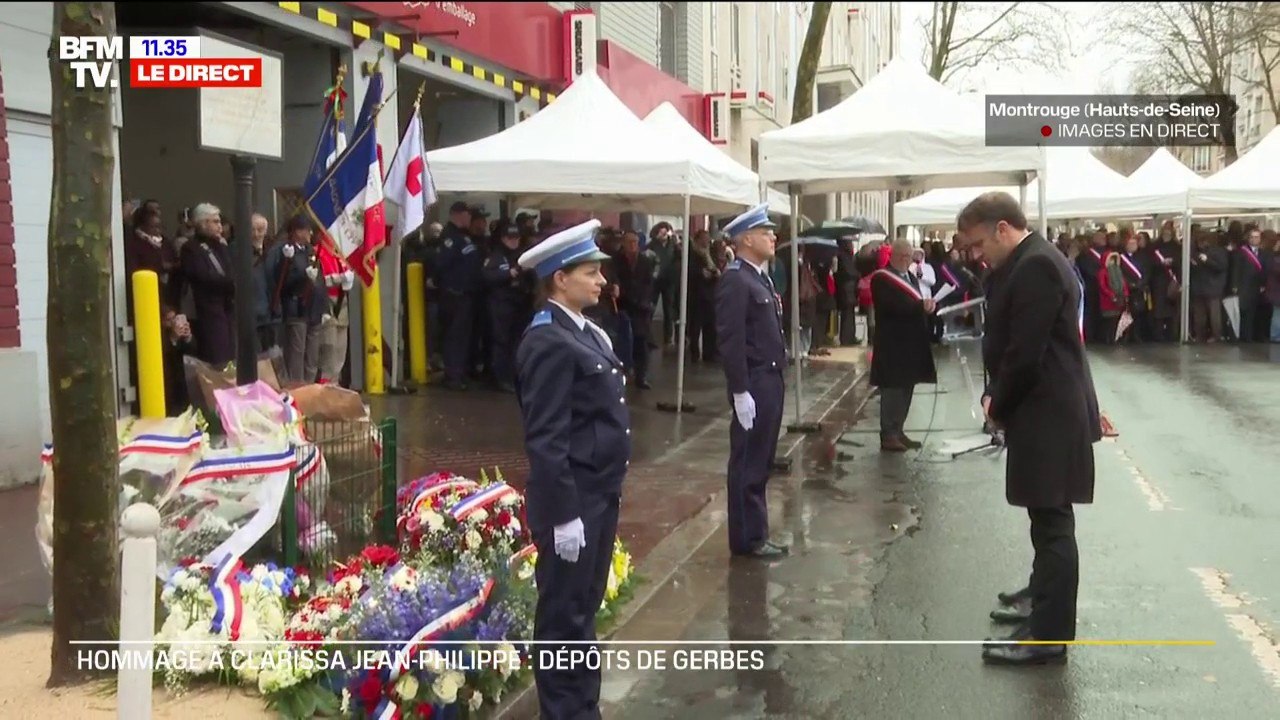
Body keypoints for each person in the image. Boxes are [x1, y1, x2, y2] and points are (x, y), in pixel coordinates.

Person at [955, 192, 1101, 666]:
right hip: (1046, 412)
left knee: (1053, 526)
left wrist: (999, 402)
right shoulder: (1032, 260)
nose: (977, 256)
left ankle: (1049, 636)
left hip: (1047, 414)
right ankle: (1043, 614)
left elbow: (1026, 350)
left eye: (979, 244)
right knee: (1047, 523)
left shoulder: (1035, 265)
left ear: (1003, 229)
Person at [514, 219, 631, 720]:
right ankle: (562, 711)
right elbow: (546, 437)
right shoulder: (547, 341)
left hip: (598, 492)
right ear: (560, 278)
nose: (602, 281)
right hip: (574, 497)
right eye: (591, 272)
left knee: (583, 607)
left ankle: (584, 706)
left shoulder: (584, 331)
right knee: (563, 613)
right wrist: (563, 513)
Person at [714, 203, 789, 560]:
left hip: (771, 377)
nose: (773, 237)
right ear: (746, 239)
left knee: (762, 459)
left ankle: (756, 532)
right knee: (748, 461)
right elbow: (732, 341)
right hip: (755, 381)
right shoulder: (735, 279)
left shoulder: (759, 276)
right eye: (765, 232)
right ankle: (747, 538)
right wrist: (740, 390)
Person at [869, 239, 938, 452]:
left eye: (910, 256)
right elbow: (893, 305)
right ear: (895, 255)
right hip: (892, 343)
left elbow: (914, 301)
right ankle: (888, 433)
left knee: (907, 386)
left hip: (910, 343)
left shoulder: (909, 276)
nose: (908, 260)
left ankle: (898, 430)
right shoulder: (882, 278)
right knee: (892, 389)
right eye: (904, 256)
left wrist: (927, 307)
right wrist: (920, 306)